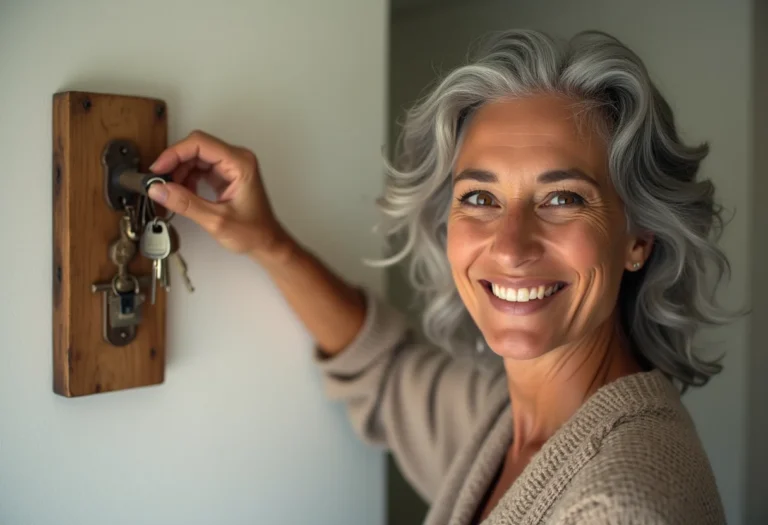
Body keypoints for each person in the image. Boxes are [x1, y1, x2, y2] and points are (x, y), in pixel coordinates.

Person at [146, 29, 734, 524]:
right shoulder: (501, 422)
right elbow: (385, 372)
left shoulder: (617, 509)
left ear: (638, 239)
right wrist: (267, 241)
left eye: (562, 199)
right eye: (479, 196)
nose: (511, 247)